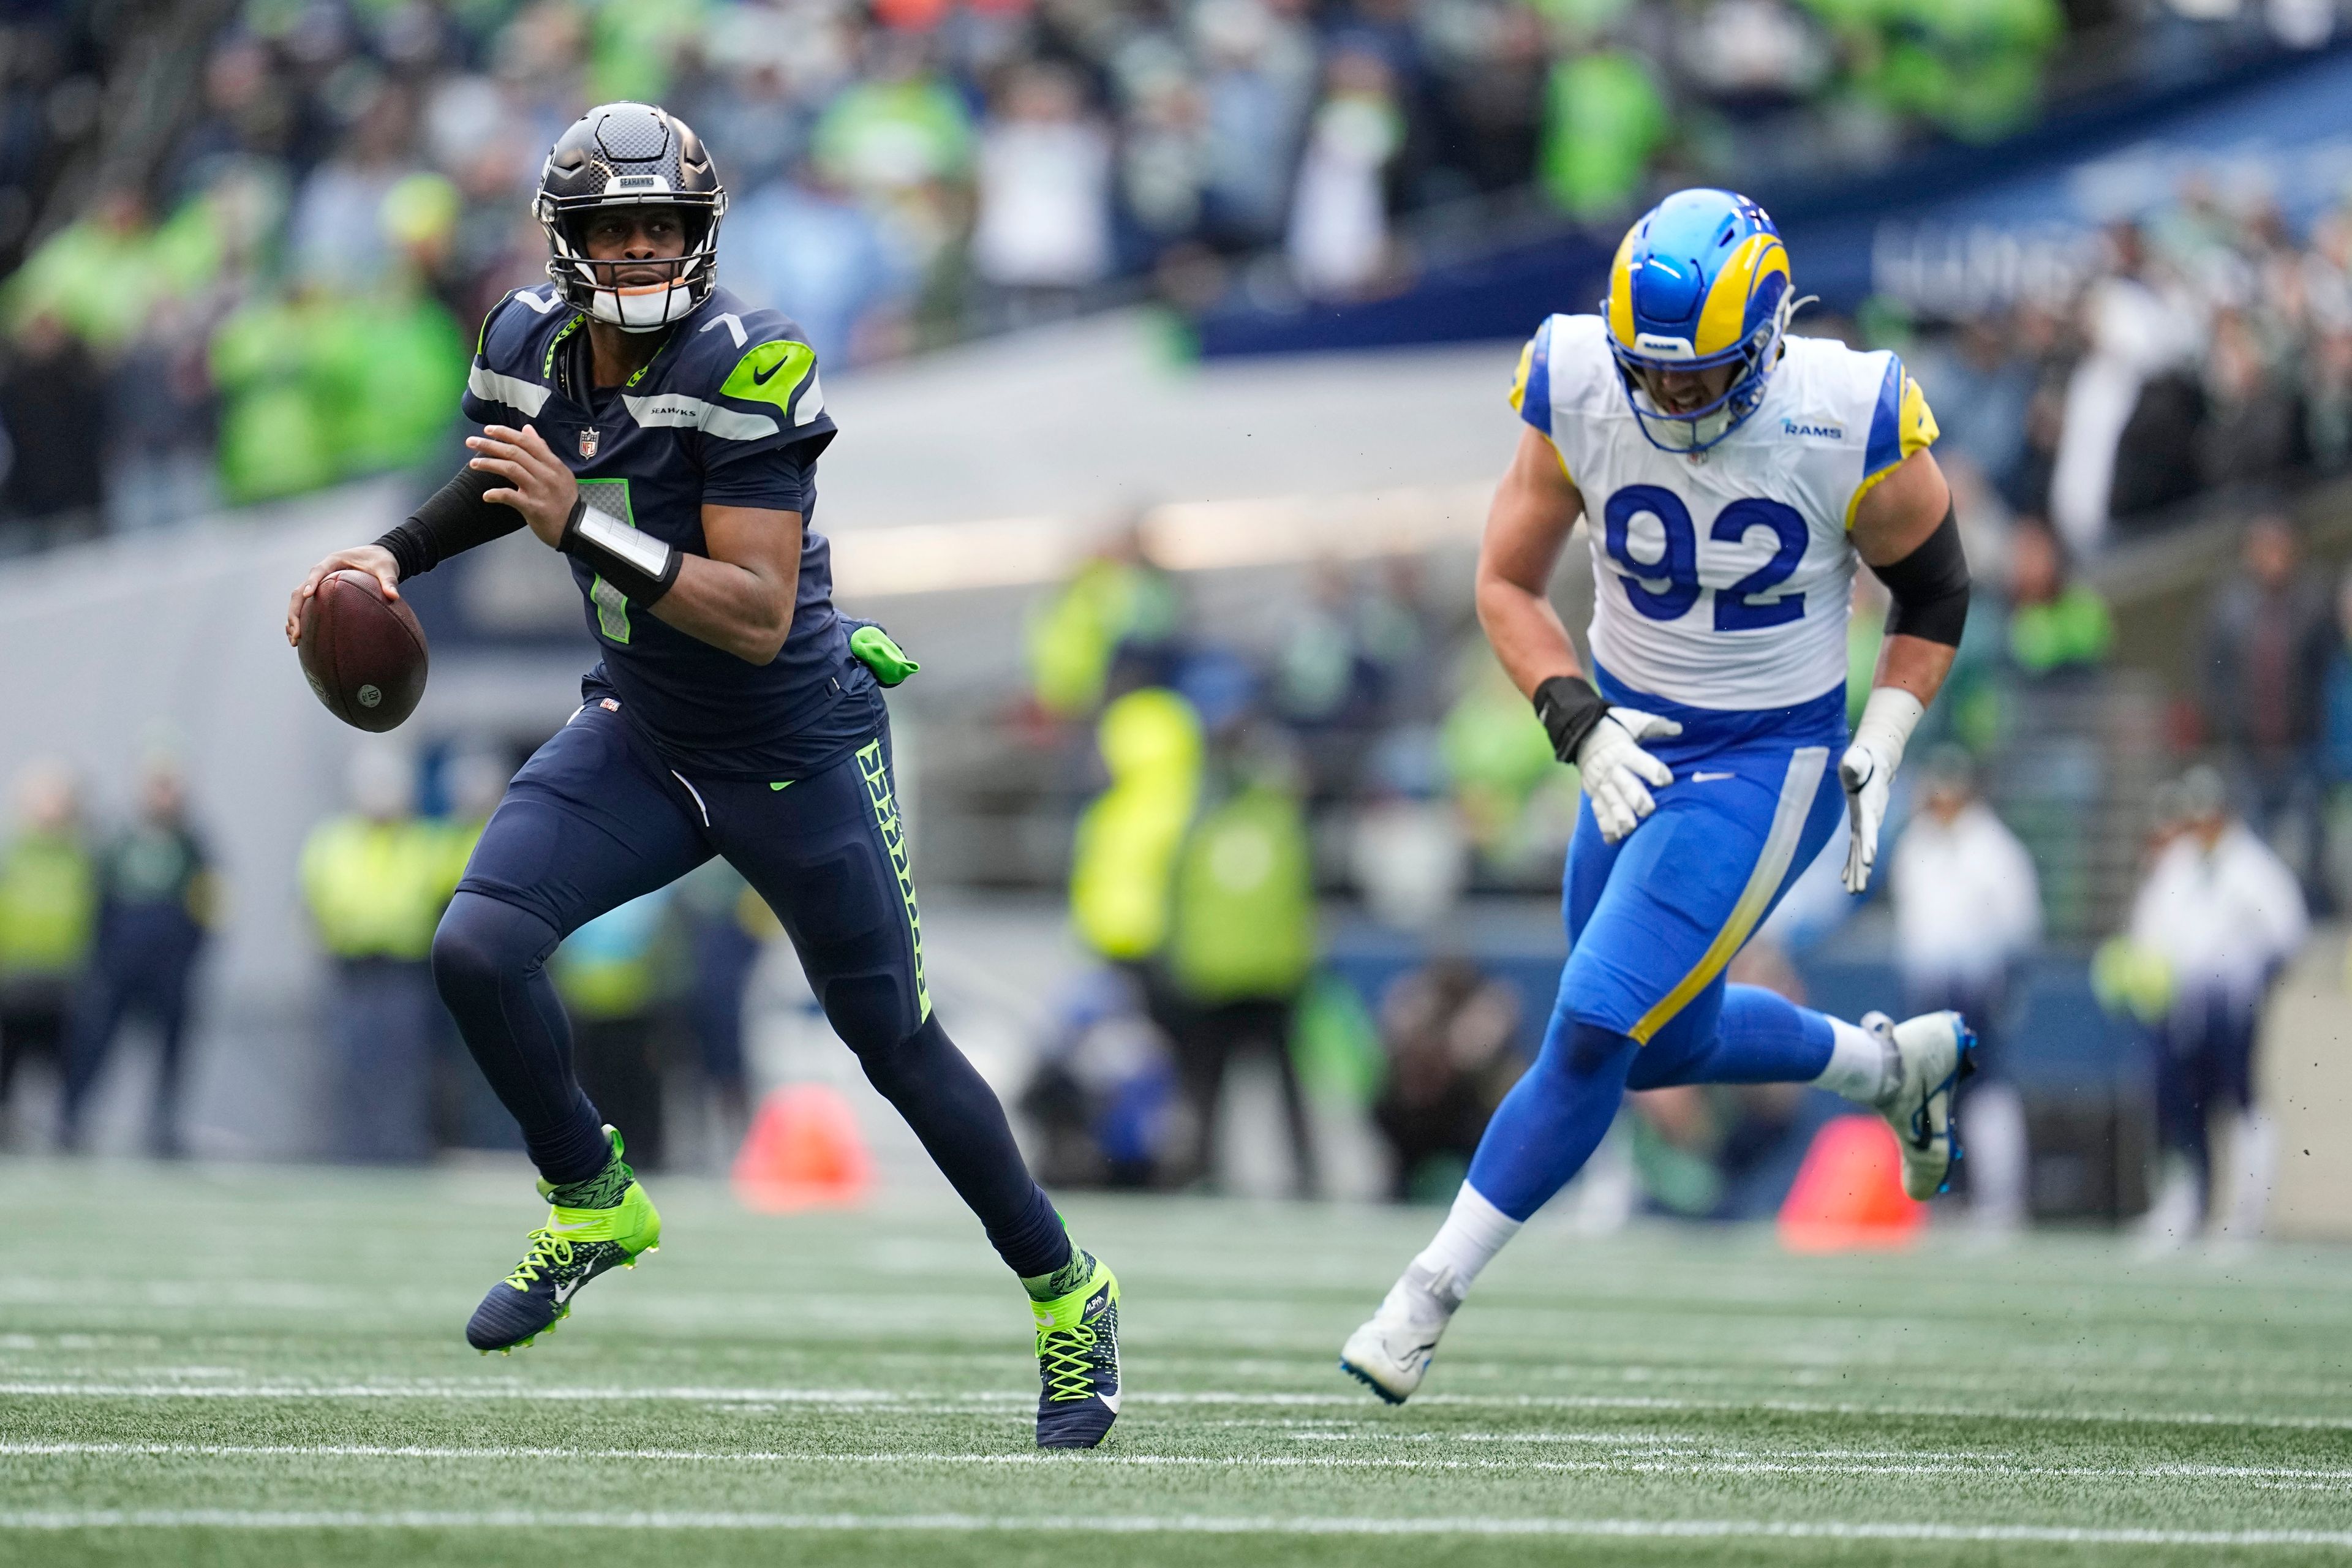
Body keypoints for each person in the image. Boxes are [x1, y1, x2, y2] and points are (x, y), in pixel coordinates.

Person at [282, 103, 1118, 1449]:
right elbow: (505, 478)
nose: (640, 247)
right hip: (646, 731)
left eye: (662, 224)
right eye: (615, 227)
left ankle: (1070, 1290)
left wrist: (582, 521)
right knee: (478, 946)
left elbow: (755, 612)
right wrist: (388, 554)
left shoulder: (750, 359)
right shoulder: (524, 344)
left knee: (893, 1042)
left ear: (701, 229)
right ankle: (591, 1192)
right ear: (568, 242)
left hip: (791, 744)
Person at [1340, 189, 1975, 1401]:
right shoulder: (1577, 376)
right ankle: (1890, 1069)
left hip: (1763, 756)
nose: (1672, 399)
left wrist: (1887, 731)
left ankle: (1422, 1297)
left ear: (1773, 335)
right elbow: (1506, 583)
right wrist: (1576, 722)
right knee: (1655, 1041)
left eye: (1702, 376)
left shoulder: (1851, 414)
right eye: (1654, 375)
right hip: (1627, 736)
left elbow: (1936, 593)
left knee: (1589, 1020)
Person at [2128, 766, 2307, 1246]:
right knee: (2182, 1107)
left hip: (2232, 1002)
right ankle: (2184, 1205)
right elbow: (2152, 928)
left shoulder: (2255, 869)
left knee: (2241, 1099)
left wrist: (2254, 980)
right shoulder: (2179, 864)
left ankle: (2247, 1212)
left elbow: (2286, 934)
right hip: (2181, 1003)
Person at [1888, 746, 2041, 1230]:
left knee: (1984, 1091)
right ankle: (1943, 1200)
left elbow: (2021, 923)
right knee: (1930, 1096)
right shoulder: (1917, 845)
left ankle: (1998, 1202)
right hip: (1929, 985)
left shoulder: (1994, 848)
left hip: (1975, 986)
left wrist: (2002, 980)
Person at [60, 754, 217, 1156]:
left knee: (171, 1053)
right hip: (120, 968)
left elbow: (209, 907)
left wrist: (188, 957)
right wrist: (99, 960)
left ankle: (163, 1127)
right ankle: (73, 1119)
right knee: (96, 1045)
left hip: (169, 970)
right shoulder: (119, 844)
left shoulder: (193, 848)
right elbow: (96, 904)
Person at [298, 745, 448, 1164]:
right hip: (352, 971)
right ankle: (353, 1152)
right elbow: (311, 900)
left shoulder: (422, 842)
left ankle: (402, 1151)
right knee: (351, 1065)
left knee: (404, 1068)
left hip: (404, 972)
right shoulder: (333, 842)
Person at [0, 762, 98, 1141]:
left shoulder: (81, 859)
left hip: (65, 981)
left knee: (69, 1066)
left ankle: (68, 1126)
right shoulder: (14, 856)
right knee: (9, 1061)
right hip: (14, 979)